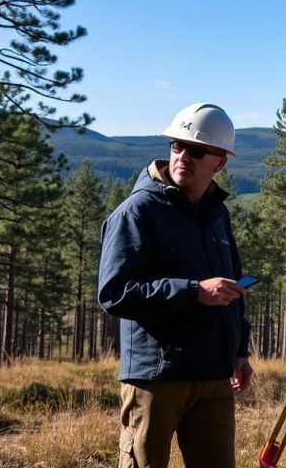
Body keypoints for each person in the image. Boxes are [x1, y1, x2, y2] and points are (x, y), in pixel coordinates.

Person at [98, 102, 253, 468]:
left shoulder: (217, 212)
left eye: (196, 150)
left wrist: (239, 350)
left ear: (219, 162)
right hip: (157, 376)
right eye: (176, 146)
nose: (182, 156)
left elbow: (231, 287)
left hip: (214, 374)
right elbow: (114, 291)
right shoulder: (138, 211)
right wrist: (194, 291)